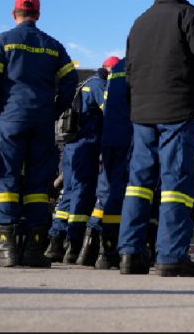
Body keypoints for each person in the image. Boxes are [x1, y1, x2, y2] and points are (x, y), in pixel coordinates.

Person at [118, 0, 194, 277]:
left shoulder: (139, 23)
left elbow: (129, 66)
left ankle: (130, 254)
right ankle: (171, 256)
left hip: (142, 113)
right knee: (175, 182)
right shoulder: (189, 16)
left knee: (138, 184)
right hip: (176, 110)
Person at [0, 0, 79, 268]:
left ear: (14, 14)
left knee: (3, 179)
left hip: (9, 119)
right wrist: (55, 110)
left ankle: (6, 248)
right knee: (38, 185)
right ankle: (34, 250)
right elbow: (70, 81)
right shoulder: (54, 46)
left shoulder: (2, 41)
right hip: (42, 121)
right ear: (37, 15)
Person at [69, 56, 119, 266]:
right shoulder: (99, 86)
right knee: (90, 193)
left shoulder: (85, 83)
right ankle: (80, 245)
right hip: (89, 145)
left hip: (76, 146)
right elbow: (110, 113)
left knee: (74, 195)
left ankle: (70, 247)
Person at [85, 56, 131, 269]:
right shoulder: (132, 72)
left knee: (104, 194)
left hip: (107, 140)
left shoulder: (108, 83)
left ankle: (89, 250)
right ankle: (108, 250)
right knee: (119, 194)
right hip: (125, 140)